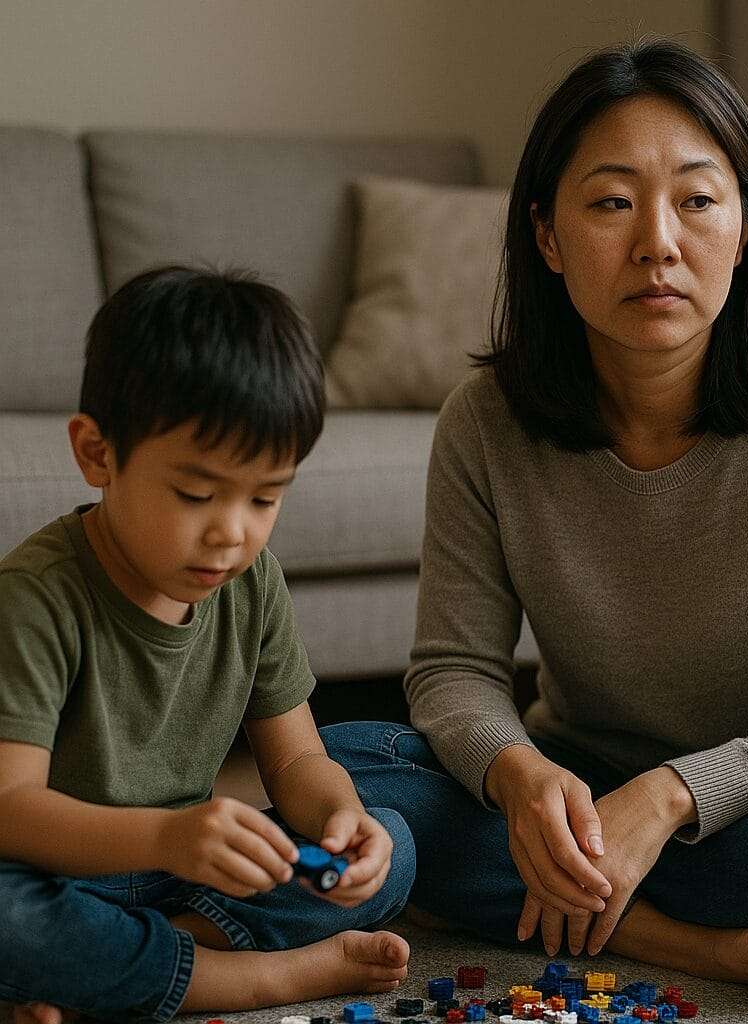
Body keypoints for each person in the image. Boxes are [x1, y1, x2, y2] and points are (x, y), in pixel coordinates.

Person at [322, 38, 748, 1013]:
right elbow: (452, 672)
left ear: (744, 230)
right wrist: (524, 781)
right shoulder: (484, 422)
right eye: (611, 202)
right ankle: (679, 936)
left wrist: (663, 800)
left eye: (697, 199)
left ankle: (523, 892)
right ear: (548, 236)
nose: (657, 241)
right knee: (341, 770)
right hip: (573, 782)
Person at [0, 268, 414, 1024]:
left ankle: (123, 968)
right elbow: (9, 807)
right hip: (58, 872)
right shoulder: (35, 596)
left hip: (186, 879)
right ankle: (265, 977)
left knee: (394, 841)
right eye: (196, 495)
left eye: (264, 498)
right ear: (97, 454)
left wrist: (341, 823)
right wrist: (166, 835)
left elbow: (294, 760)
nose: (232, 533)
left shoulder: (252, 582)